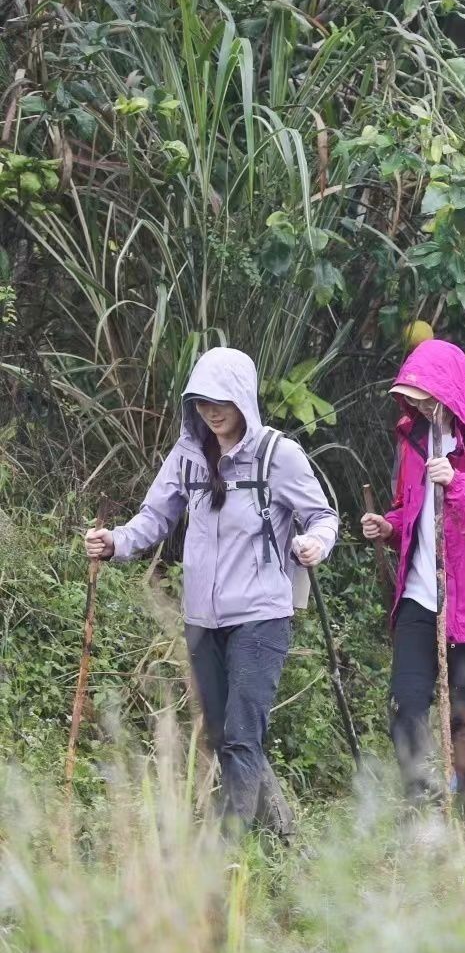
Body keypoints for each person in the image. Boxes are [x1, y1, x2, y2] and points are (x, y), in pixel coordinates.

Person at [84, 347, 339, 836]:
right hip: (201, 617)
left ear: (242, 397)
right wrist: (115, 542)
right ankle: (282, 835)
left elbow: (323, 516)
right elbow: (154, 517)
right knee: (224, 735)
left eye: (221, 401)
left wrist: (315, 543)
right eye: (201, 401)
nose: (211, 411)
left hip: (261, 616)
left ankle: (228, 849)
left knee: (242, 735)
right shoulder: (188, 457)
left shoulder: (277, 455)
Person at [359, 339, 465, 811]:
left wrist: (456, 482)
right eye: (414, 399)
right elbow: (411, 511)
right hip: (420, 597)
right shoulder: (412, 440)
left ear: (450, 394)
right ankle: (424, 811)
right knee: (405, 708)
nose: (421, 408)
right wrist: (389, 526)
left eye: (428, 399)